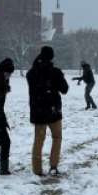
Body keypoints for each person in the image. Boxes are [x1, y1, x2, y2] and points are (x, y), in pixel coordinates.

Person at [26, 46, 69, 176]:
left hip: (37, 110)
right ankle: (53, 166)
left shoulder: (31, 73)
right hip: (53, 110)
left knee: (38, 140)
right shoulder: (55, 72)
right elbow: (65, 89)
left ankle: (37, 169)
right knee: (57, 138)